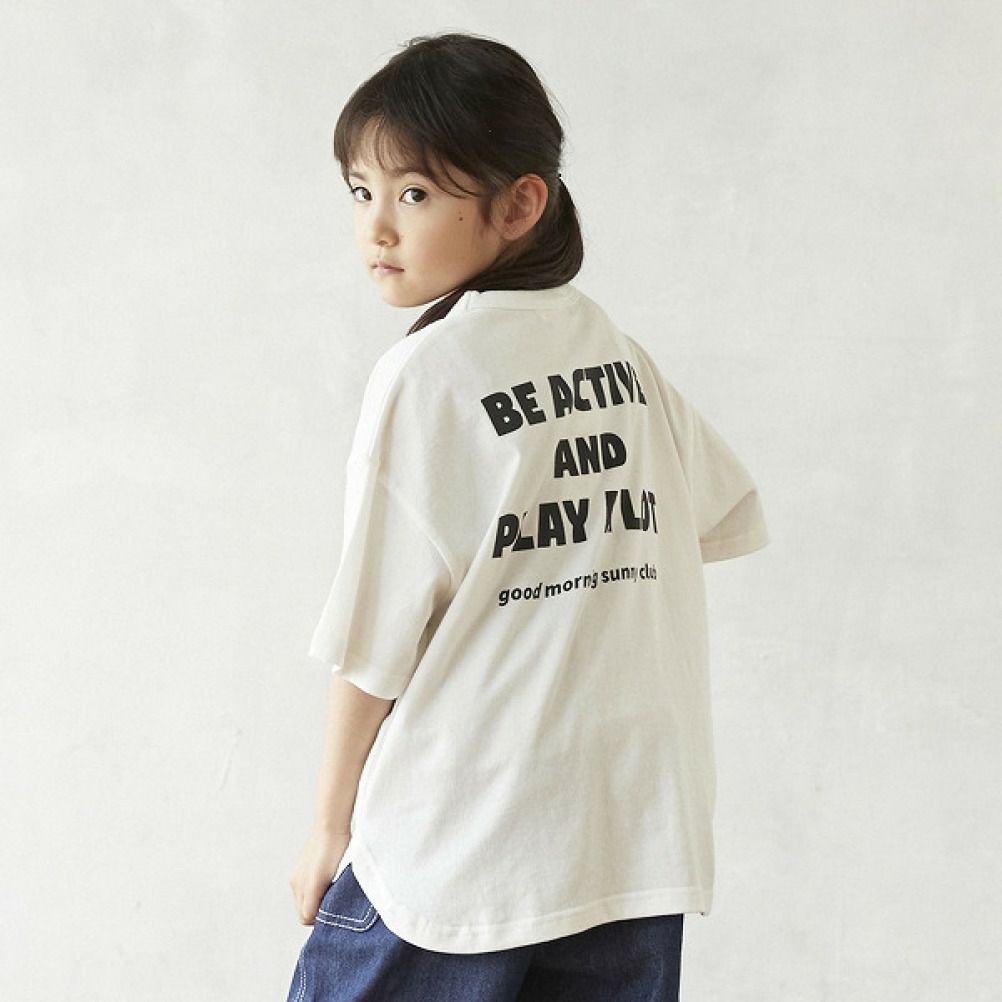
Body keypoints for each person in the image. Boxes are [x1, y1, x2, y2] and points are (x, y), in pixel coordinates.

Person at [286, 30, 769, 1002]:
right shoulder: (618, 358)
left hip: (461, 849)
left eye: (414, 195)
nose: (377, 229)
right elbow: (717, 513)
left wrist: (328, 827)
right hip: (627, 846)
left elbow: (373, 647)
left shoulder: (429, 374)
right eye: (361, 192)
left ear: (518, 205)